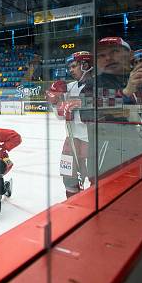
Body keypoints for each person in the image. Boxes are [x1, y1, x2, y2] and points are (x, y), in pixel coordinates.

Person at [47, 51, 93, 198]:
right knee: (68, 176)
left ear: (85, 65)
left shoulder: (100, 85)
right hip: (71, 139)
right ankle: (72, 206)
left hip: (91, 139)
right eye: (70, 67)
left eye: (74, 66)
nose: (70, 70)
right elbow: (60, 116)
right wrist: (55, 102)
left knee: (94, 177)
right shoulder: (70, 86)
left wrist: (76, 106)